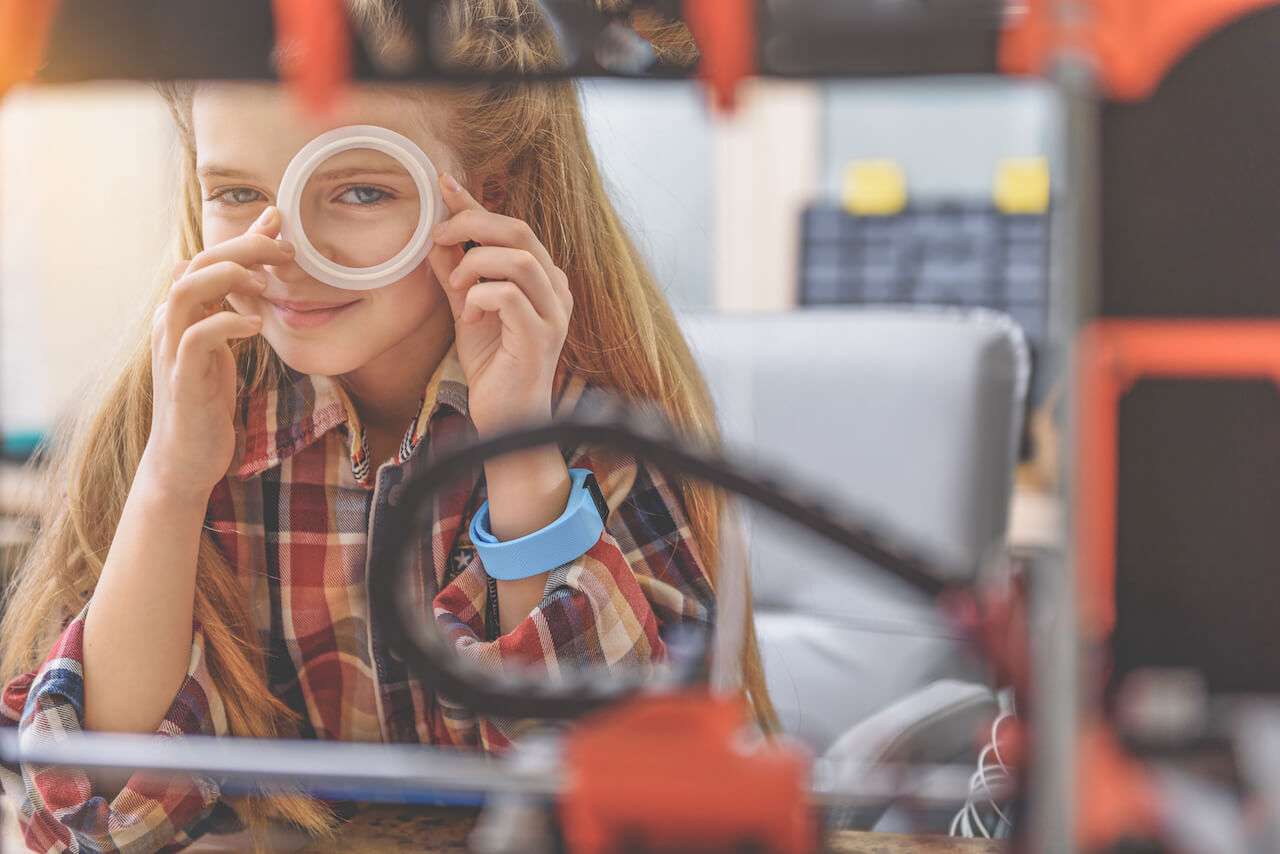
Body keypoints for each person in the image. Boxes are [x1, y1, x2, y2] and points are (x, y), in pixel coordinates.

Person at [0, 1, 775, 851]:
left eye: (361, 190)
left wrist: (518, 436)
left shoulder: (605, 435)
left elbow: (628, 801)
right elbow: (97, 815)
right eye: (236, 192)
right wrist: (171, 483)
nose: (289, 248)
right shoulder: (178, 424)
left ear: (489, 196)